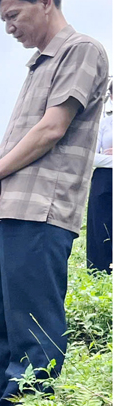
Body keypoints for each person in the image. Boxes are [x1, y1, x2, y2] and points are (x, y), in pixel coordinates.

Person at [0, 0, 109, 406]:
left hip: (42, 211)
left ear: (45, 1)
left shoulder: (81, 49)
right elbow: (20, 140)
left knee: (31, 322)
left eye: (14, 15)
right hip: (9, 210)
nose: (10, 28)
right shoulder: (38, 63)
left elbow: (51, 128)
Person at [87, 83, 112, 272]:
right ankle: (101, 272)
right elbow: (90, 156)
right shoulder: (104, 124)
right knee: (102, 229)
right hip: (104, 182)